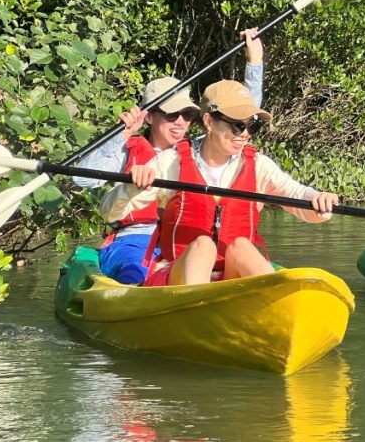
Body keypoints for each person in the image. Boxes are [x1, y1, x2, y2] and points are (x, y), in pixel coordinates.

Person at [101, 80, 339, 287]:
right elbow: (109, 212)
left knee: (242, 247)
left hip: (229, 276)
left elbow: (298, 196)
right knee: (203, 245)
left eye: (252, 125)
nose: (245, 134)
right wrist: (132, 186)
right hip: (177, 276)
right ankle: (195, 308)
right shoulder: (171, 162)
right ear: (209, 121)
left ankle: (278, 304)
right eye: (237, 125)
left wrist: (318, 200)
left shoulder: (258, 165)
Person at [74, 30, 265, 284]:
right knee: (137, 275)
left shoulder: (199, 152)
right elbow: (81, 179)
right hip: (136, 239)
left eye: (186, 114)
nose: (180, 122)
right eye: (170, 114)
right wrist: (118, 136)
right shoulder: (129, 149)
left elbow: (242, 120)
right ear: (149, 116)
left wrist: (254, 62)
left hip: (186, 240)